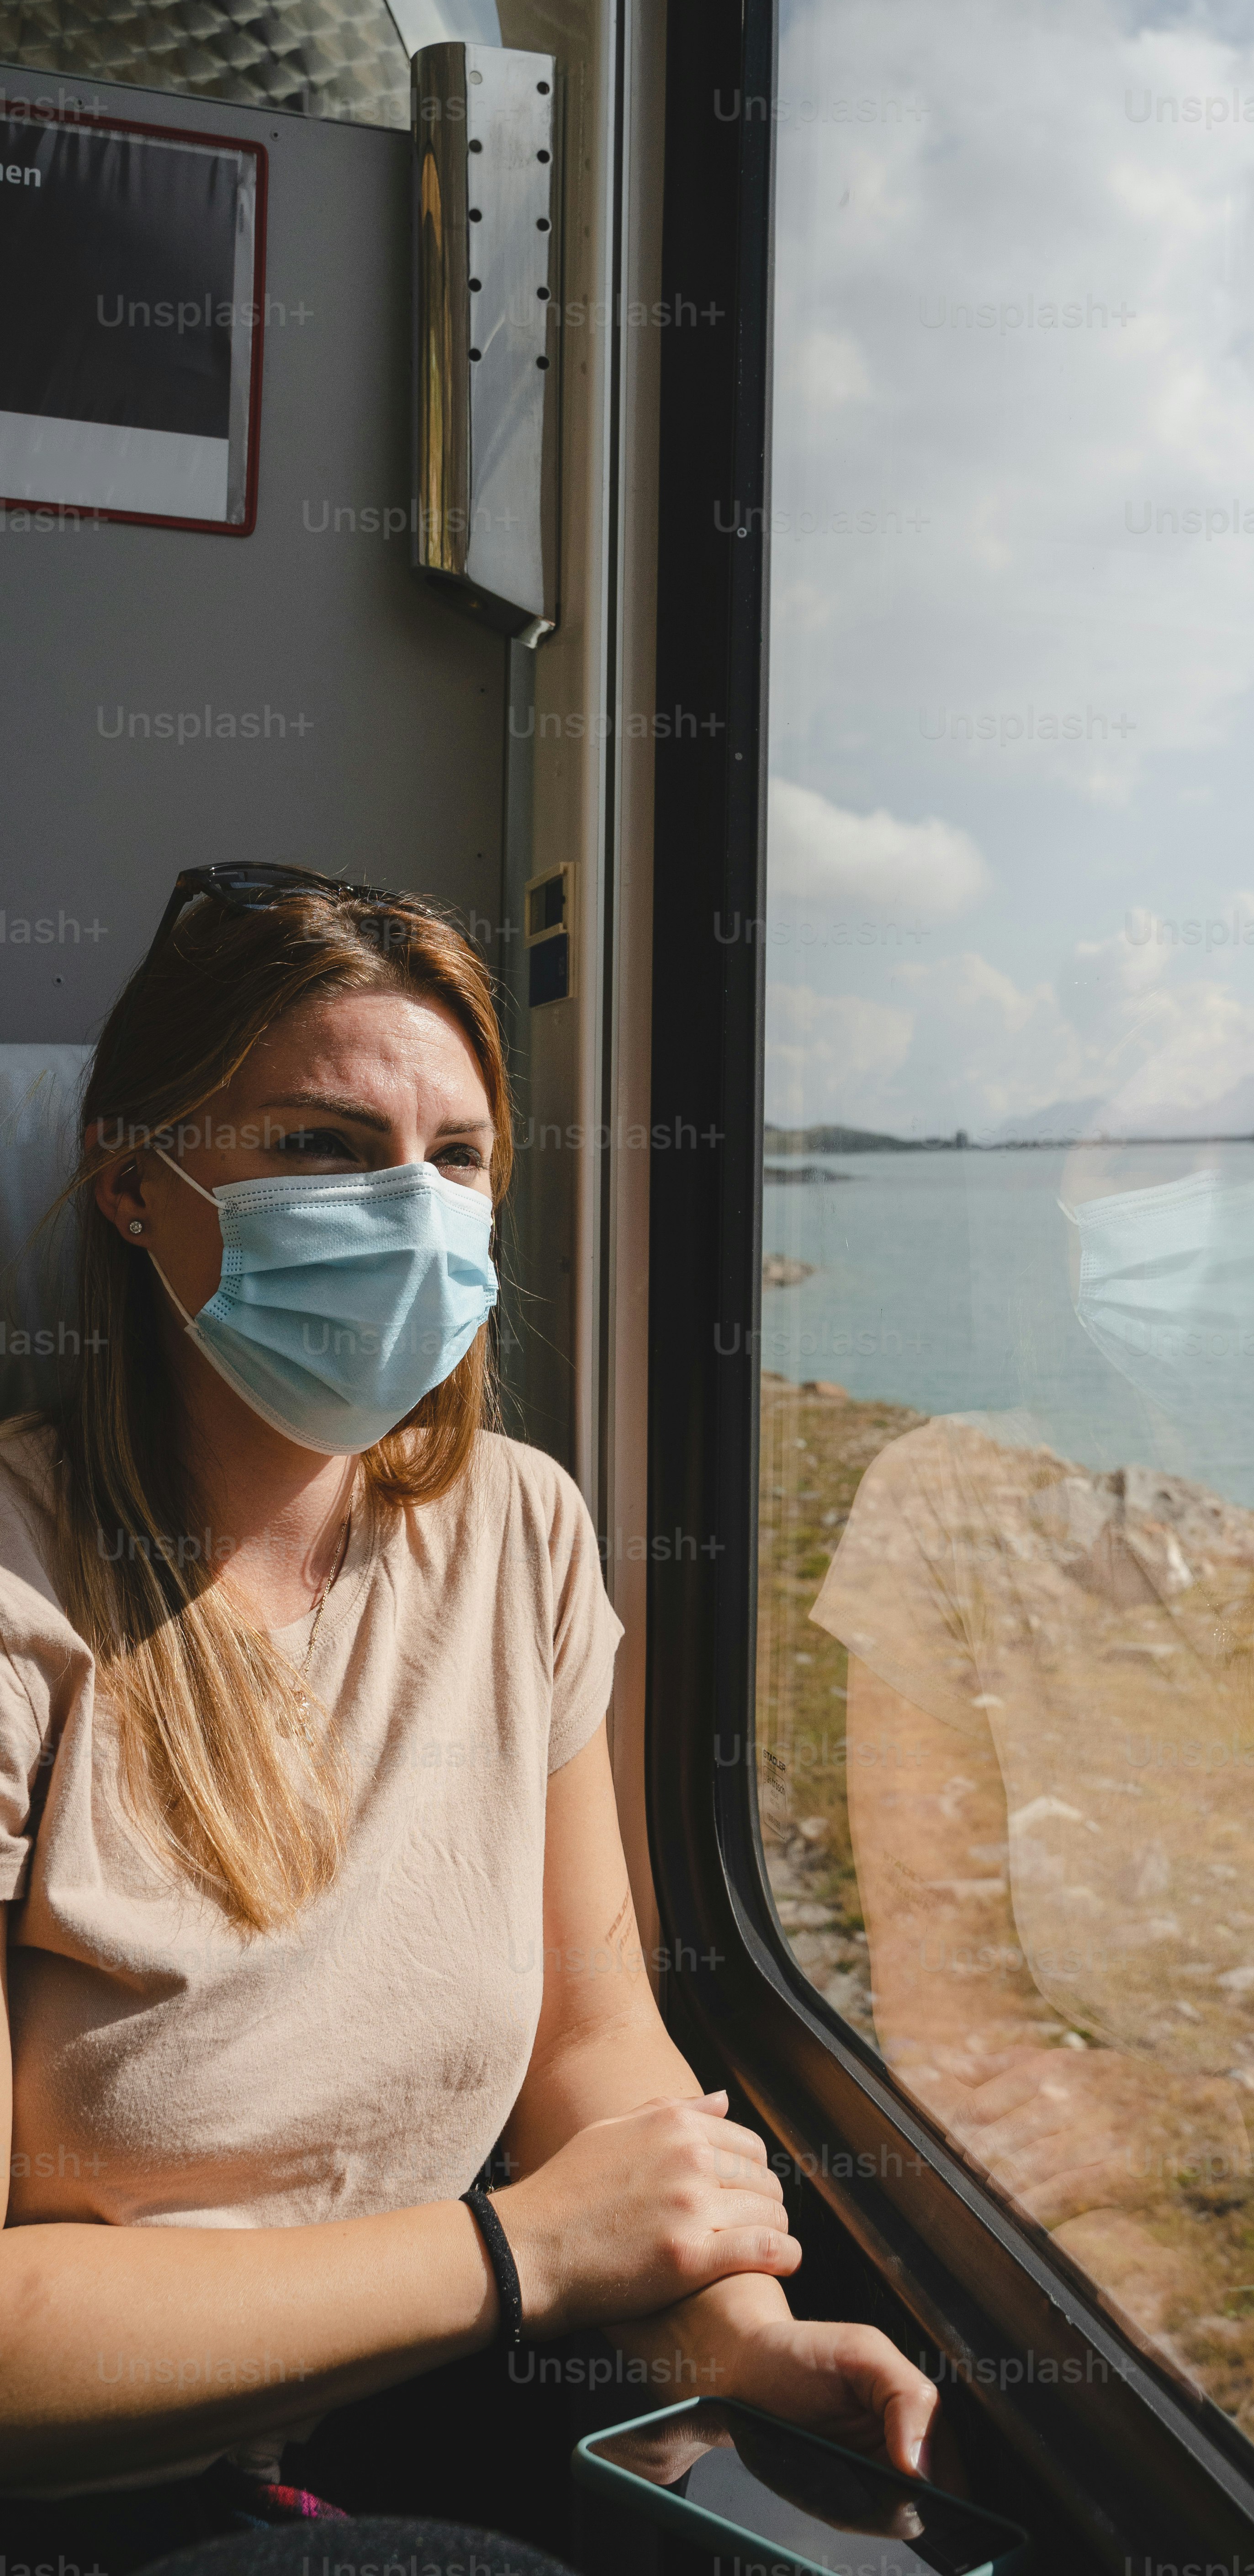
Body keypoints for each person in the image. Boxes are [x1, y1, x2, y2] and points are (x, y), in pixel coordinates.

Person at [0, 863, 936, 2569]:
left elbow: (592, 2039)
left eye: (456, 1160)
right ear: (135, 1184)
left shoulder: (521, 1530)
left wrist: (729, 2338)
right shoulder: (22, 1591)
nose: (411, 1212)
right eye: (321, 1146)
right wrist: (528, 2258)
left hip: (426, 2409)